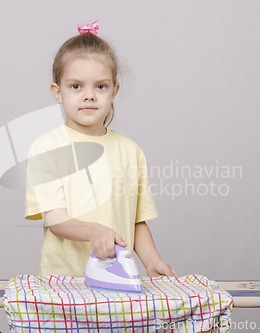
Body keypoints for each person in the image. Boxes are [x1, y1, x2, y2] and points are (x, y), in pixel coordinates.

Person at [25, 22, 176, 278]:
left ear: (114, 91)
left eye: (100, 86)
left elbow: (136, 221)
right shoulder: (46, 147)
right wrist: (94, 231)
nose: (89, 95)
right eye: (76, 86)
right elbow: (55, 219)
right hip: (64, 285)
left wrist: (152, 261)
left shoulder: (131, 151)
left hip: (118, 284)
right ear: (57, 92)